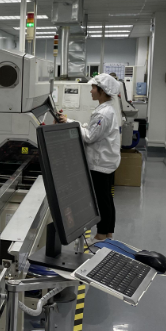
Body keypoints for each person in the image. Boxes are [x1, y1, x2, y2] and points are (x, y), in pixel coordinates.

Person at [57, 73, 121, 240]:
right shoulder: (106, 109)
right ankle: (108, 232)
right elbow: (93, 130)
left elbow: (90, 136)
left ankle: (101, 234)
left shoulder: (102, 114)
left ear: (102, 91)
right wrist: (71, 121)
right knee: (106, 198)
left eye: (93, 88)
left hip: (100, 164)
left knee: (101, 199)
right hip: (107, 161)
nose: (91, 91)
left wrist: (70, 124)